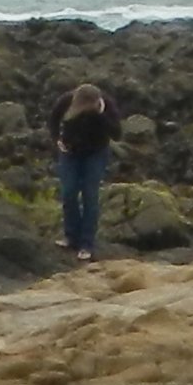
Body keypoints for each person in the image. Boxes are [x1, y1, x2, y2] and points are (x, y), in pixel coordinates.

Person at [52, 82, 117, 260]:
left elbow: (117, 133)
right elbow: (53, 121)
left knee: (90, 195)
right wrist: (56, 140)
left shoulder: (107, 106)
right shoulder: (65, 101)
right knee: (68, 192)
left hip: (95, 154)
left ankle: (86, 243)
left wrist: (100, 115)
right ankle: (71, 237)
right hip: (69, 153)